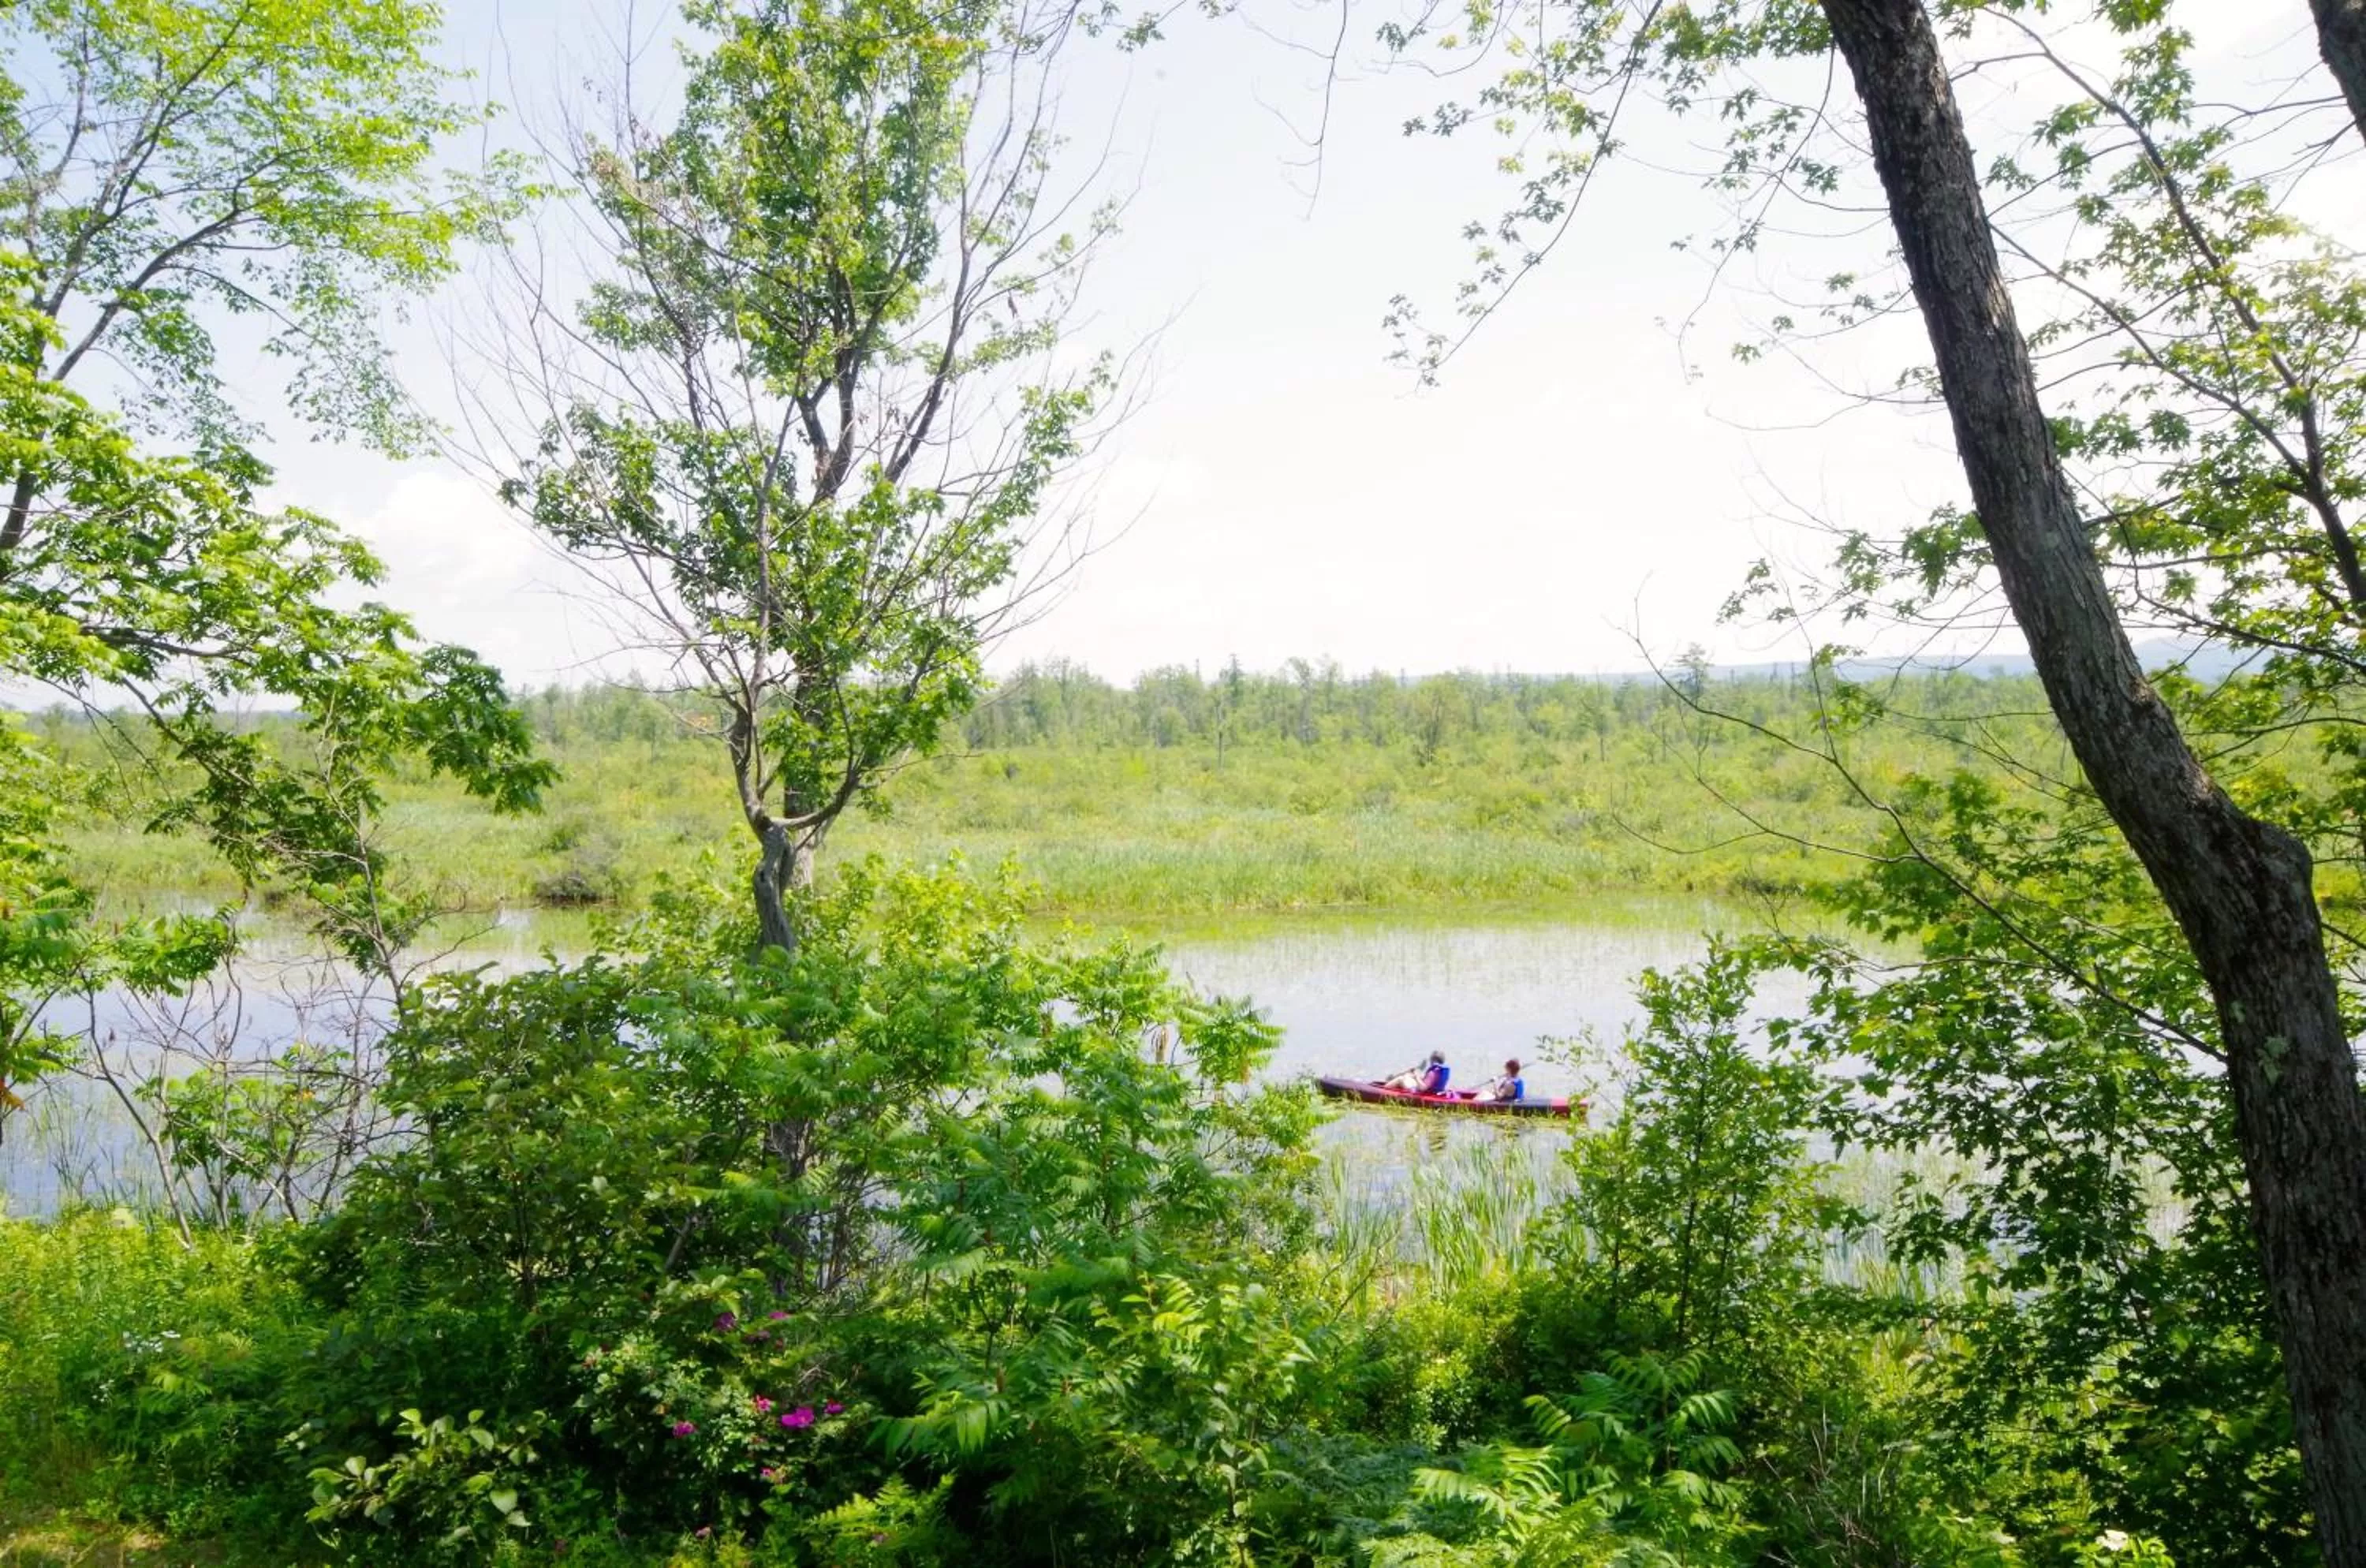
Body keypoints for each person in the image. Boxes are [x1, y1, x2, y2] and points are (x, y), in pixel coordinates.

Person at [1383, 1051, 1450, 1095]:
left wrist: (1416, 1077)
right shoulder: (1439, 1071)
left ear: (1432, 1060)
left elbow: (1423, 1088)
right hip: (1432, 1091)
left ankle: (1383, 1090)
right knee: (1408, 1076)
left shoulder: (1432, 1073)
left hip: (1420, 1092)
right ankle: (1390, 1082)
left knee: (1400, 1079)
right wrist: (1418, 1076)